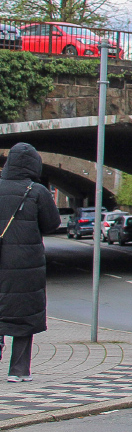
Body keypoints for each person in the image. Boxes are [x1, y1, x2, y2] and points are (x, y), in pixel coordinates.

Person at [0, 143, 61, 381]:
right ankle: (19, 370)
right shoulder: (36, 191)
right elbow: (52, 224)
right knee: (24, 313)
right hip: (26, 265)